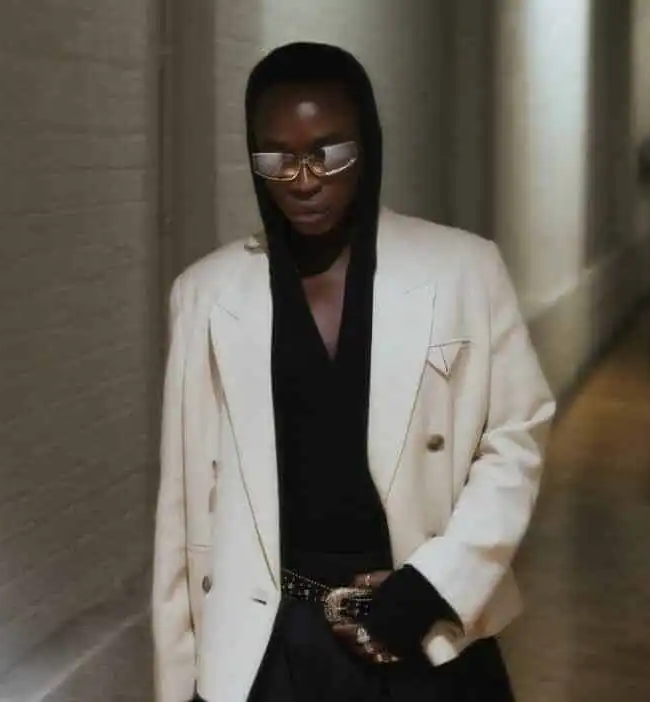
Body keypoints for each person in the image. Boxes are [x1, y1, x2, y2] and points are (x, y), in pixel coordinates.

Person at [152, 42, 555, 702]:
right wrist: (177, 684)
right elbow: (184, 508)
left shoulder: (461, 269)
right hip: (268, 641)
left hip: (424, 624)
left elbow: (515, 437)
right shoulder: (206, 293)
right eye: (276, 156)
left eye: (328, 151)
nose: (303, 178)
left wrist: (434, 583)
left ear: (368, 145)